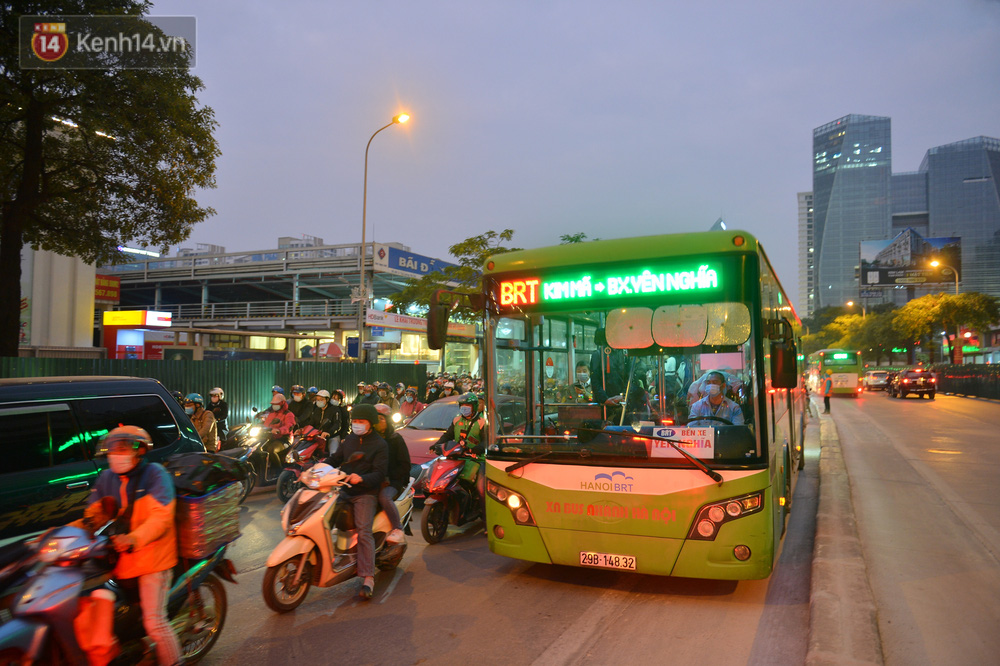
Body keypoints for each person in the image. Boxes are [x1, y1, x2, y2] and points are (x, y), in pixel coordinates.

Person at [83, 427, 182, 666]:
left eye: (123, 447)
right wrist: (61, 536)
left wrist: (134, 539)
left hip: (153, 559)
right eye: (113, 448)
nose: (116, 453)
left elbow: (161, 518)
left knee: (154, 622)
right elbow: (92, 513)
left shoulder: (156, 475)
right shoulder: (106, 478)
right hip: (122, 561)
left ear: (139, 450)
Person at [324, 404, 387, 600]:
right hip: (343, 489)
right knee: (323, 520)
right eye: (355, 421)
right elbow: (336, 458)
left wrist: (362, 479)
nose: (357, 424)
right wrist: (319, 467)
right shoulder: (349, 439)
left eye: (362, 421)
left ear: (371, 423)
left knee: (363, 530)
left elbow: (379, 474)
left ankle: (368, 577)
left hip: (365, 493)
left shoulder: (380, 444)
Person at [431, 392, 487, 506]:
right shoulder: (456, 420)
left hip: (478, 459)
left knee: (482, 489)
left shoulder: (482, 422)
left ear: (474, 406)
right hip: (457, 457)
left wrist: (477, 448)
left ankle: (486, 518)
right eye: (462, 405)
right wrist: (437, 444)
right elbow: (448, 435)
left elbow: (487, 441)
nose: (464, 408)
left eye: (468, 405)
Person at [589, 327, 645, 423]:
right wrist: (605, 399)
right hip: (604, 404)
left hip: (623, 403)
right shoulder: (598, 354)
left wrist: (623, 396)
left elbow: (630, 378)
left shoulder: (624, 355)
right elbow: (595, 380)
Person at [373, 404, 409, 544]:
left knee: (384, 497)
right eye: (375, 419)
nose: (377, 422)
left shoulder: (395, 439)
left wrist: (388, 477)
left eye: (381, 419)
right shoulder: (370, 439)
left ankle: (397, 528)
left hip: (393, 481)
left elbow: (405, 465)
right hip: (373, 479)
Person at [306, 389, 342, 454]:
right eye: (317, 399)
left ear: (327, 400)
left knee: (333, 454)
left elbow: (337, 424)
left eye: (321, 399)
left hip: (332, 436)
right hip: (318, 437)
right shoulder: (316, 410)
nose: (319, 401)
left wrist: (329, 432)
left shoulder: (334, 409)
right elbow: (311, 423)